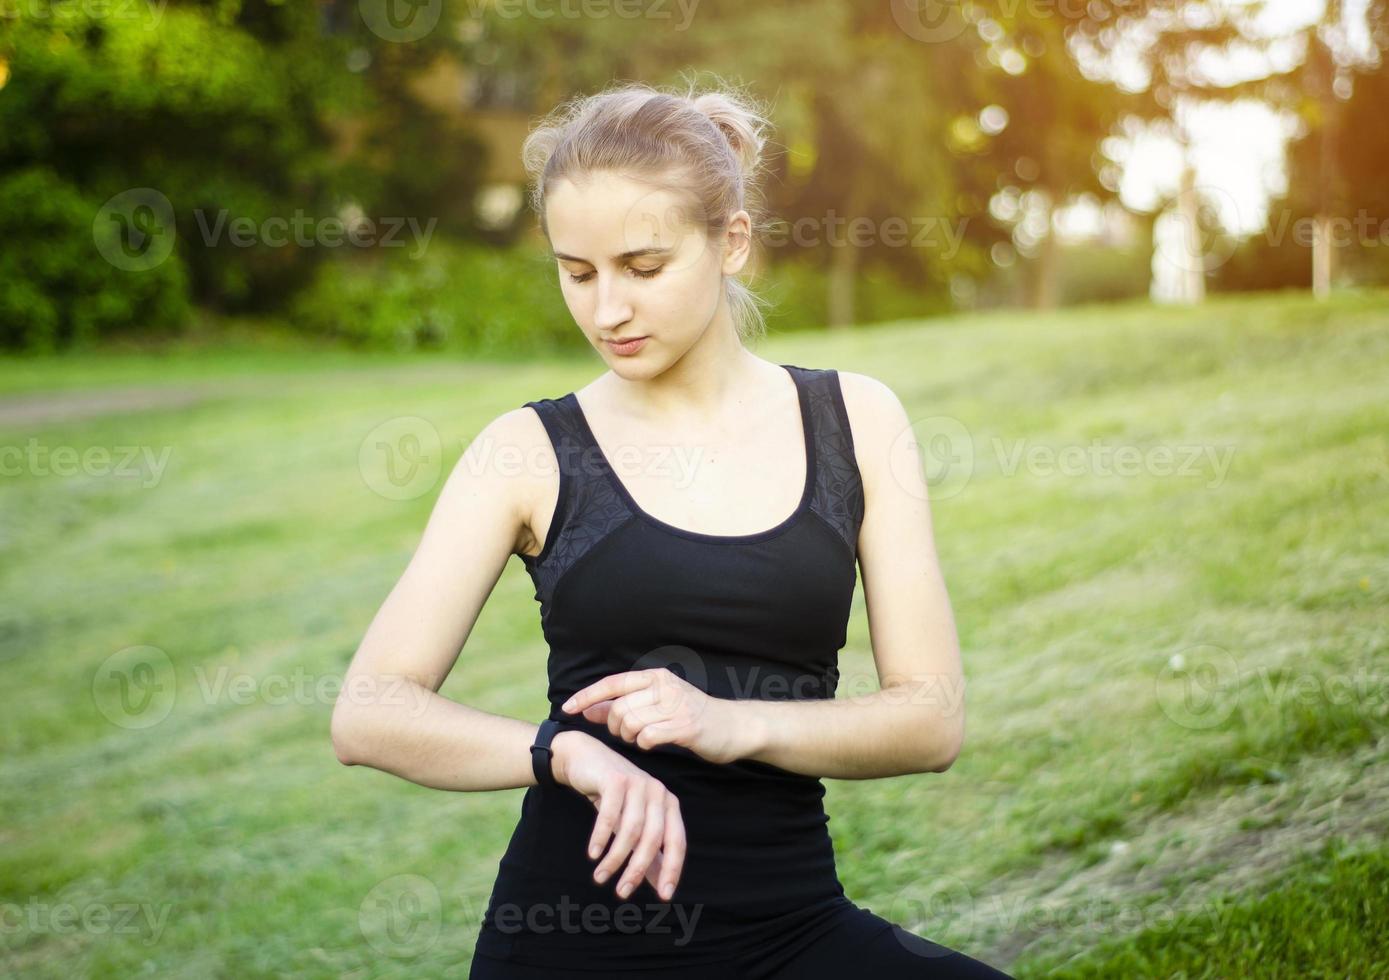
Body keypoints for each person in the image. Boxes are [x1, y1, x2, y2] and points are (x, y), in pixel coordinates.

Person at [331, 77, 1014, 979]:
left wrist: (729, 723)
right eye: (577, 274)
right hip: (573, 946)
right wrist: (561, 753)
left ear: (731, 242)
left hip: (792, 929)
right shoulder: (528, 451)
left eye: (642, 268)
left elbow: (928, 722)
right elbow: (368, 713)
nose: (606, 310)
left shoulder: (857, 420)